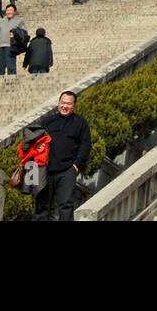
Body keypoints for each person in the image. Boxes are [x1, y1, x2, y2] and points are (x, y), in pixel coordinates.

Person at [35, 90, 92, 220]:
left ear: (74, 105)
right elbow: (35, 142)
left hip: (67, 171)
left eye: (68, 104)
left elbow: (85, 145)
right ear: (58, 103)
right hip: (45, 170)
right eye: (62, 103)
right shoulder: (47, 121)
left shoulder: (80, 122)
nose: (65, 106)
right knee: (42, 207)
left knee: (66, 206)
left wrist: (76, 166)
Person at [0, 4, 27, 76]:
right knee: (0, 65)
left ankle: (12, 80)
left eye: (10, 10)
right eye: (7, 10)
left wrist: (15, 34)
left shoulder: (19, 21)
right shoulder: (1, 21)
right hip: (1, 46)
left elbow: (24, 33)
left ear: (15, 12)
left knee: (10, 65)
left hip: (11, 45)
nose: (8, 12)